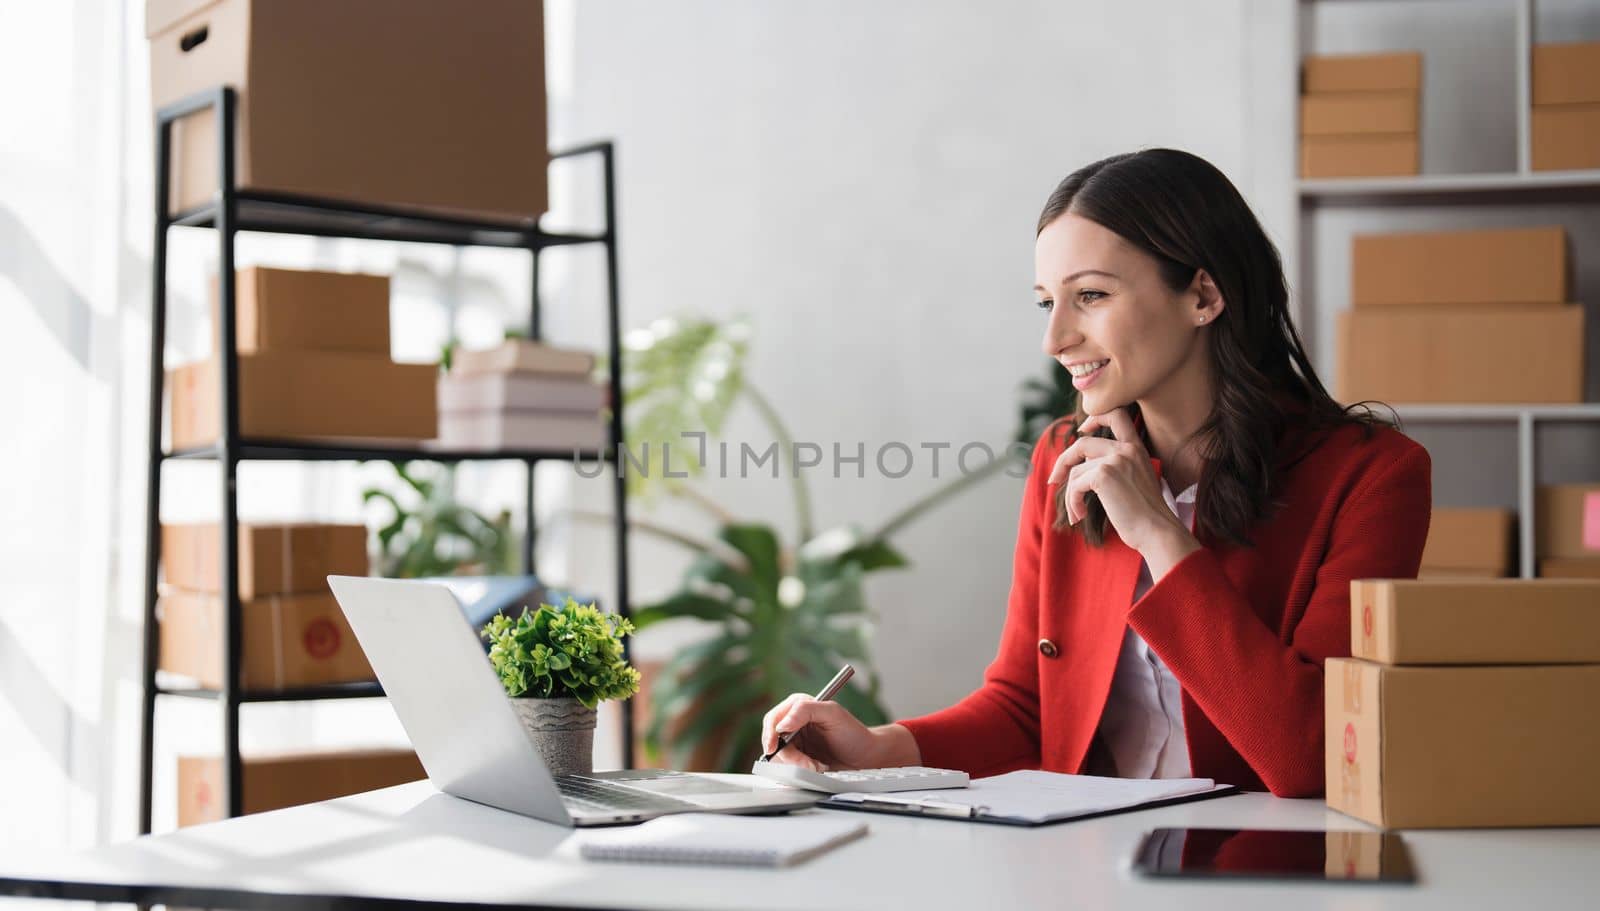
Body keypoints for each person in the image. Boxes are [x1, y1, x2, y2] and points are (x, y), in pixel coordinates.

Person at [758, 149, 1431, 797]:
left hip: (1265, 867)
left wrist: (1163, 537)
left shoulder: (1372, 478)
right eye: (1047, 301)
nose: (1055, 340)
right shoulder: (1064, 457)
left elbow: (1309, 755)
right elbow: (1026, 707)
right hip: (1087, 863)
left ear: (1203, 294)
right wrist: (881, 749)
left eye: (1090, 296)